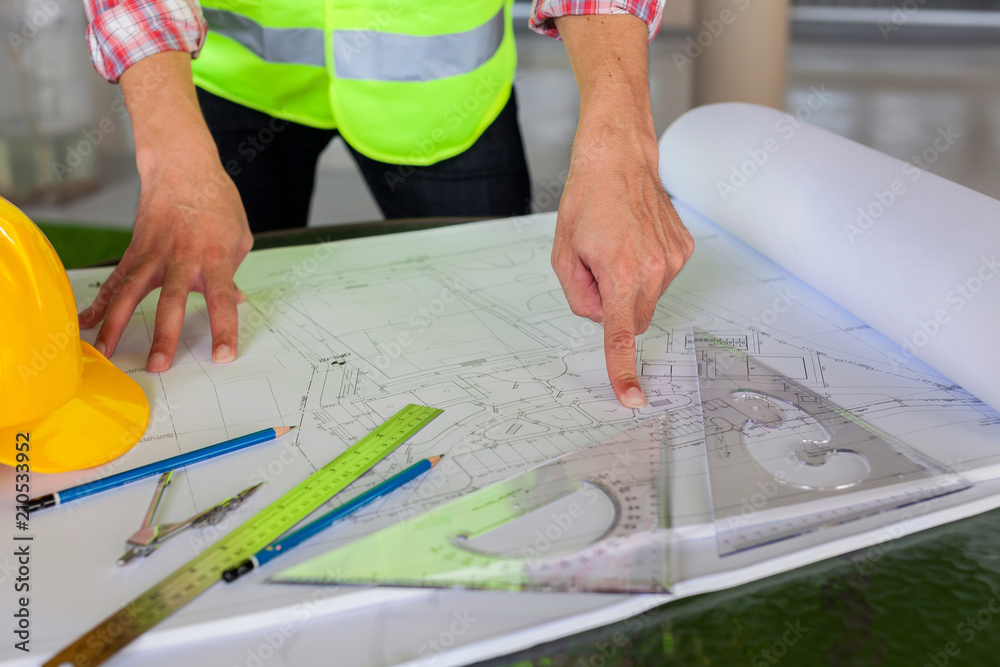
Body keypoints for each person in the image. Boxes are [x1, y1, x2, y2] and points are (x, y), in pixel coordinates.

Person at [79, 0, 695, 410]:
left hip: (440, 95)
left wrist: (621, 139)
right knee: (221, 355)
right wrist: (170, 150)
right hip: (232, 75)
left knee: (503, 337)